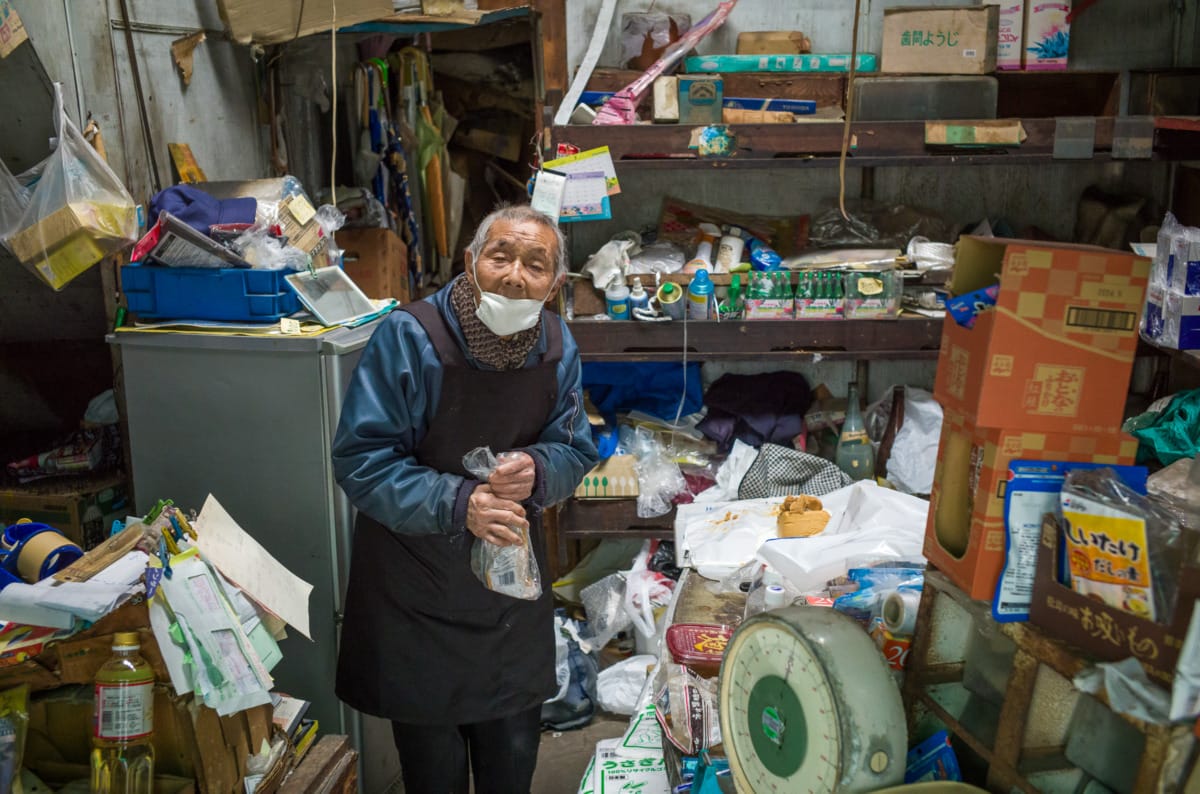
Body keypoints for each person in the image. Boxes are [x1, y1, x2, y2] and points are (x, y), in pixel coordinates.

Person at [331, 204, 598, 793]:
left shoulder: (557, 345)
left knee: (511, 764)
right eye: (500, 256)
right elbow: (361, 459)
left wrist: (538, 467)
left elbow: (576, 447)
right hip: (417, 596)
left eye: (535, 264)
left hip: (508, 598)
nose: (513, 275)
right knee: (434, 773)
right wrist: (461, 503)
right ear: (472, 261)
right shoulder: (410, 337)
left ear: (553, 285)